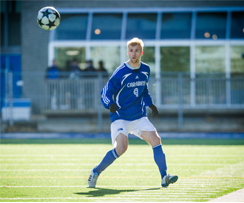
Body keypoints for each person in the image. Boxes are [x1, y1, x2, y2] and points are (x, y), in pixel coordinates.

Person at [88, 38, 178, 188]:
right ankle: (96, 172)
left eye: (136, 51)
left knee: (156, 140)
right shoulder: (120, 72)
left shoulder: (146, 69)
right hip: (120, 117)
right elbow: (105, 92)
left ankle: (164, 176)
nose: (133, 53)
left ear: (141, 52)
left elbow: (144, 90)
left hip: (138, 117)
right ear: (127, 52)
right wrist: (110, 104)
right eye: (131, 50)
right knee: (122, 148)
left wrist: (151, 104)